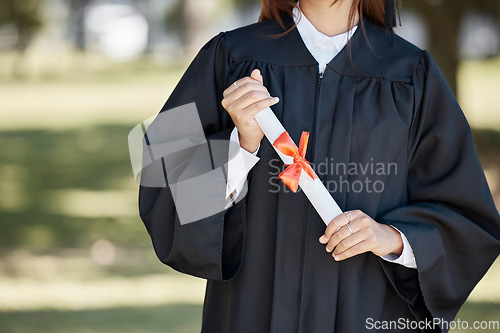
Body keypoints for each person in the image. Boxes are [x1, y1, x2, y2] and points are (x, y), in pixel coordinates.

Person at [138, 0, 500, 332]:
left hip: (370, 310)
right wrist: (240, 145)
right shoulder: (230, 56)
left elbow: (466, 214)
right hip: (254, 310)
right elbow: (159, 173)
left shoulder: (411, 73)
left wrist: (393, 238)